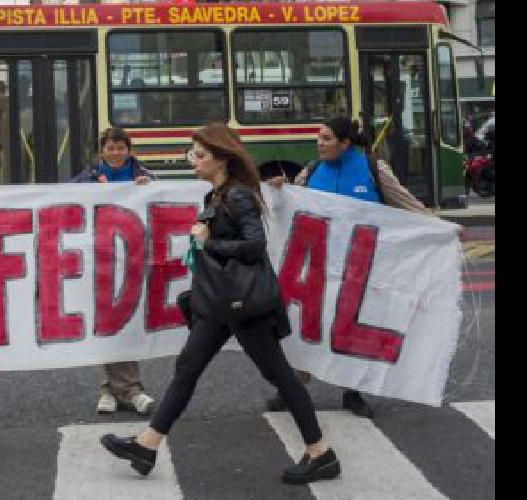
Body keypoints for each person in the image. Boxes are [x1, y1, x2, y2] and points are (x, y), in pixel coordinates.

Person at [100, 123, 341, 485]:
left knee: (280, 375)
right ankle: (148, 445)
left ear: (221, 158)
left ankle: (321, 453)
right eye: (191, 154)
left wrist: (209, 243)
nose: (192, 160)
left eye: (199, 154)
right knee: (187, 368)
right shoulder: (214, 197)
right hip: (219, 304)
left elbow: (255, 245)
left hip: (243, 305)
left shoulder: (239, 196)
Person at [266, 116, 427, 418]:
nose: (319, 143)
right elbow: (288, 204)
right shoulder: (312, 171)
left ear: (345, 143)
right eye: (318, 137)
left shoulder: (373, 170)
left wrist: (442, 228)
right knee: (306, 325)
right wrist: (279, 189)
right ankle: (292, 389)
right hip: (318, 267)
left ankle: (353, 392)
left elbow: (409, 206)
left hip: (360, 267)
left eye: (326, 139)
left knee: (350, 328)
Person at [70, 127, 157, 416]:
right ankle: (128, 389)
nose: (116, 153)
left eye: (121, 148)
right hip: (102, 257)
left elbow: (161, 204)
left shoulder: (145, 177)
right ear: (102, 151)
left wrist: (149, 188)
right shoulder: (88, 178)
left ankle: (115, 389)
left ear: (129, 150)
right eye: (110, 148)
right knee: (107, 320)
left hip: (134, 257)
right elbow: (68, 200)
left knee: (128, 321)